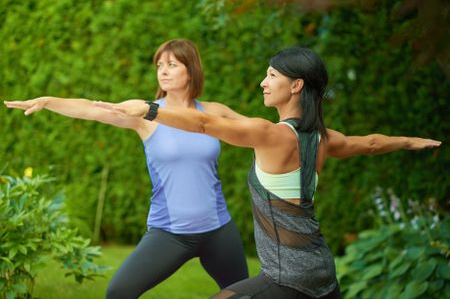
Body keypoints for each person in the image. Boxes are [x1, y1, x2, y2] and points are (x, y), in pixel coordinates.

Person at [93, 45, 442, 299]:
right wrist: (410, 141)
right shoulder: (321, 137)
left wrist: (150, 110)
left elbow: (202, 123)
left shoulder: (271, 134)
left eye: (272, 76)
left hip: (289, 277)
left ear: (296, 86)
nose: (263, 82)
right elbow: (370, 144)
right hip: (322, 268)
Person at [4, 39, 249, 298]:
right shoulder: (146, 114)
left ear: (191, 71)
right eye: (159, 65)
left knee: (243, 294)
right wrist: (49, 100)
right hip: (170, 233)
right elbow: (91, 109)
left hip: (218, 228)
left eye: (172, 65)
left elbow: (262, 132)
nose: (162, 71)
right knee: (119, 293)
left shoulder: (213, 112)